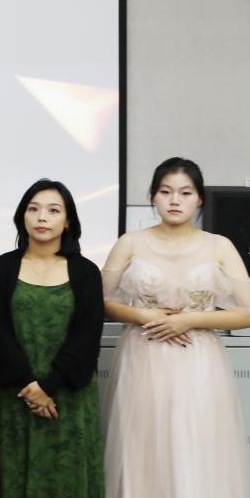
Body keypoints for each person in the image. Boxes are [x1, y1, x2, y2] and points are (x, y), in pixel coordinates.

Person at [102, 157, 250, 497]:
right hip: (143, 355)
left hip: (199, 360)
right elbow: (101, 301)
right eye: (165, 191)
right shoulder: (130, 242)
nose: (174, 200)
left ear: (199, 199)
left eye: (185, 193)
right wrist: (145, 316)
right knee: (143, 443)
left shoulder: (219, 245)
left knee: (196, 443)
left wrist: (190, 319)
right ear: (153, 196)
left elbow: (248, 311)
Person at [0, 179, 103, 498]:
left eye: (53, 210)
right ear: (22, 216)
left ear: (68, 221)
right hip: (14, 396)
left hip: (68, 399)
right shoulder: (2, 268)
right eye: (33, 209)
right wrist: (29, 387)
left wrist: (49, 387)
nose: (42, 217)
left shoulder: (86, 272)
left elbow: (86, 338)